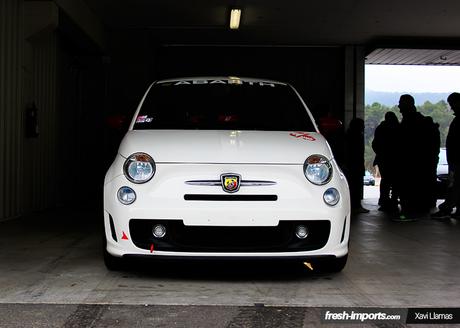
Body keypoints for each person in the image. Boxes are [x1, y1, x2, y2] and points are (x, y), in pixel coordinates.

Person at [395, 94, 440, 221]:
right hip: (421, 164)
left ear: (407, 105)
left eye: (401, 103)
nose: (399, 106)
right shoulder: (423, 122)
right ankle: (417, 210)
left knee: (409, 189)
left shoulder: (410, 123)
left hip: (411, 164)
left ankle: (409, 211)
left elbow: (404, 145)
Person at [432, 92, 460, 220]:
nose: (452, 107)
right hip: (455, 160)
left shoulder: (458, 120)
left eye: (452, 104)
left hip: (456, 161)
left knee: (453, 185)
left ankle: (446, 208)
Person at [372, 111, 400, 212]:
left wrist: (380, 153)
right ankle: (394, 199)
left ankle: (384, 200)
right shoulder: (398, 128)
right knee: (396, 181)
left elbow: (375, 144)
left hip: (383, 159)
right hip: (396, 159)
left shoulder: (381, 128)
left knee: (385, 181)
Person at [345, 118, 369, 214]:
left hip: (352, 165)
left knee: (353, 186)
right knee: (356, 186)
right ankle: (356, 206)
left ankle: (353, 206)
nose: (363, 127)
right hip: (355, 165)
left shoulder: (349, 135)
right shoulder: (356, 136)